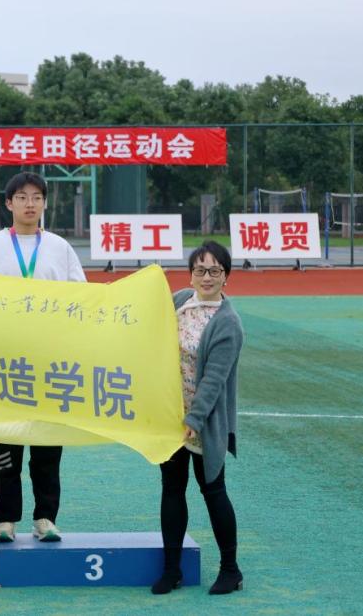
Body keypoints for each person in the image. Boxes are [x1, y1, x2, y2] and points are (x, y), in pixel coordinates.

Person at [0, 171, 86, 544]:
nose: (30, 204)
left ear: (45, 203)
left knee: (48, 444)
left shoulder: (60, 248)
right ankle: (5, 519)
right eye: (21, 197)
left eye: (36, 197)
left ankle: (45, 517)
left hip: (50, 362)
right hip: (6, 362)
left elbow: (81, 297)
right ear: (9, 203)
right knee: (6, 444)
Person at [152, 240, 244, 595]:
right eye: (200, 270)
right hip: (171, 417)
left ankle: (231, 570)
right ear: (191, 274)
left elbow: (214, 380)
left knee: (213, 491)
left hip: (205, 424)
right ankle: (171, 569)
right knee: (172, 490)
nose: (207, 277)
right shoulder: (178, 302)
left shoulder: (228, 323)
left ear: (225, 276)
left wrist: (194, 420)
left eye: (215, 270)